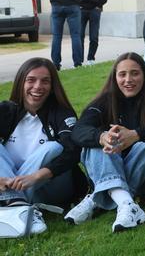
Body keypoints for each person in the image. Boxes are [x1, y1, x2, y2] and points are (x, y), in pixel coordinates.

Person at [65, 53, 145, 232]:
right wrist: (102, 137)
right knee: (98, 143)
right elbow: (79, 130)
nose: (128, 80)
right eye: (122, 74)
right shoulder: (104, 100)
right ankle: (125, 203)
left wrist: (137, 135)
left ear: (144, 74)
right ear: (115, 77)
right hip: (116, 166)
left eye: (135, 73)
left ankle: (100, 195)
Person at [0, 58, 83, 234]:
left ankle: (10, 203)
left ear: (53, 86)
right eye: (31, 80)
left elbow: (74, 150)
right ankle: (18, 205)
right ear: (21, 82)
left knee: (53, 148)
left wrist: (37, 176)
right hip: (11, 186)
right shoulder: (7, 111)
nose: (38, 86)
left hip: (52, 186)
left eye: (45, 81)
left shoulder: (62, 113)